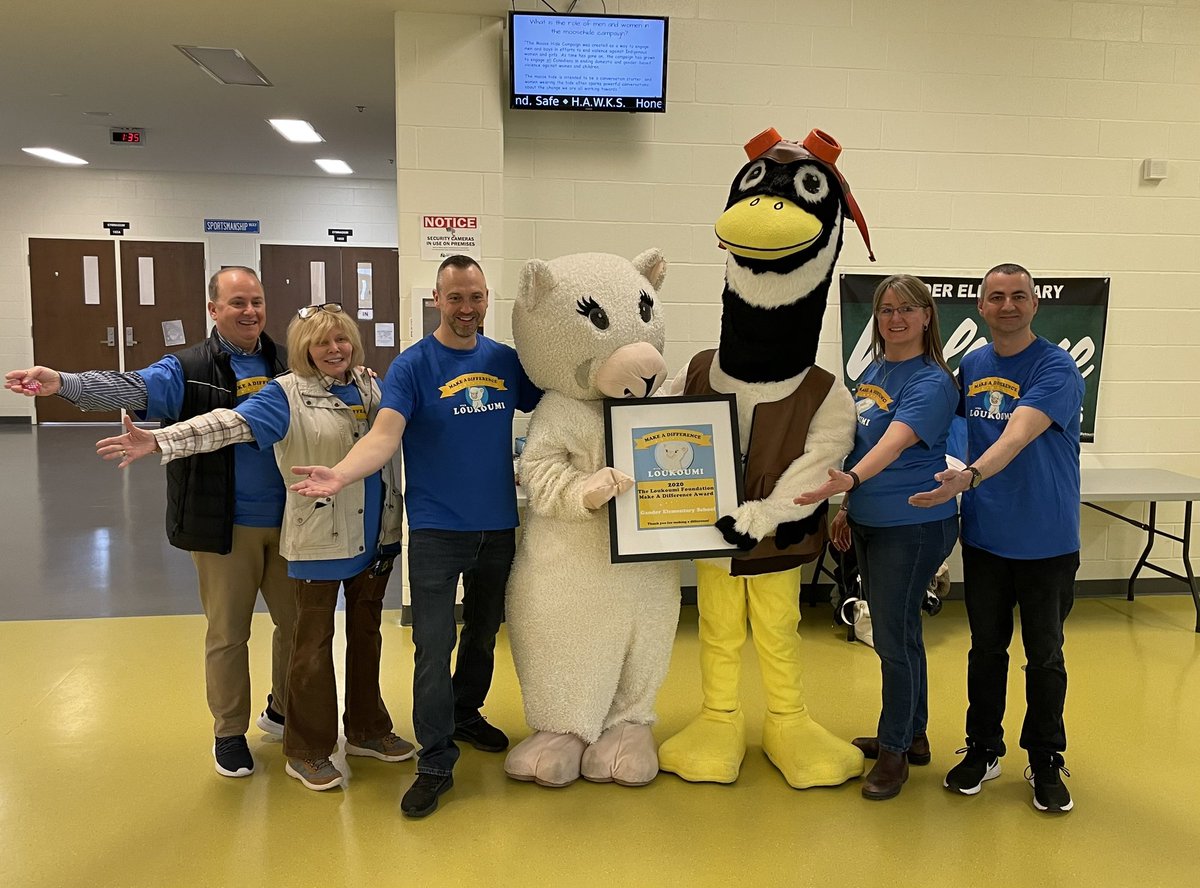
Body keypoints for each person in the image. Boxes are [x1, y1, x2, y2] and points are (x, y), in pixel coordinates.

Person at [96, 303, 414, 791]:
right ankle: (306, 749)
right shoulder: (285, 394)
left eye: (342, 339)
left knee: (368, 637)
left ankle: (368, 730)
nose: (335, 350)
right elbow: (225, 424)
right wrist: (161, 441)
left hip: (376, 537)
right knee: (310, 646)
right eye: (322, 342)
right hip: (319, 540)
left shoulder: (371, 387)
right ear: (303, 350)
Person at [4, 267, 295, 779]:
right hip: (224, 523)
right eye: (236, 303)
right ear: (213, 310)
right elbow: (129, 387)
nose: (249, 312)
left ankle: (282, 709)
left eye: (256, 301)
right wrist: (64, 384)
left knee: (298, 627)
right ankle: (228, 732)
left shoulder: (290, 362)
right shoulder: (187, 367)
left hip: (293, 520)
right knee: (229, 634)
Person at [290, 255, 541, 818]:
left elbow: (556, 401)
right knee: (433, 647)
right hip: (435, 530)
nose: (467, 308)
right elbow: (385, 435)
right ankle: (435, 758)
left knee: (482, 634)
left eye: (475, 297)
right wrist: (342, 472)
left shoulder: (504, 361)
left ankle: (465, 713)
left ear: (486, 298)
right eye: (455, 298)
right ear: (437, 299)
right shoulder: (413, 366)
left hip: (498, 527)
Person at [910, 263, 1084, 814]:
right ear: (980, 308)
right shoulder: (973, 364)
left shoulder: (1056, 368)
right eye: (996, 297)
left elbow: (1015, 434)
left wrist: (970, 478)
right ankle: (984, 748)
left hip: (1047, 541)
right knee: (985, 651)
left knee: (1045, 657)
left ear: (1035, 305)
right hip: (986, 538)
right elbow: (944, 431)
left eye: (1018, 296)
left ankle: (1046, 758)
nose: (1007, 305)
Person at [795, 274, 959, 800]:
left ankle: (893, 754)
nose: (896, 318)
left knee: (891, 639)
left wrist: (853, 482)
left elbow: (893, 442)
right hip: (871, 518)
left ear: (927, 316)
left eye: (907, 309)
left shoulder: (931, 381)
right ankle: (913, 736)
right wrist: (849, 505)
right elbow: (858, 435)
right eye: (887, 309)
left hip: (911, 525)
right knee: (903, 632)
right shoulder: (877, 368)